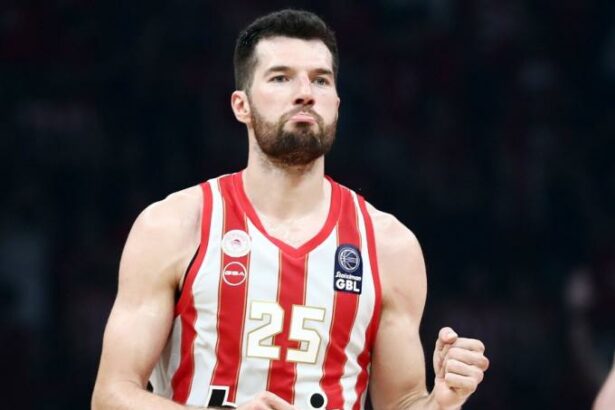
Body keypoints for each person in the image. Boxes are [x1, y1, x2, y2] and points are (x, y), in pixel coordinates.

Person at [92, 9, 489, 410]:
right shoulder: (174, 225)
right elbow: (110, 396)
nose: (305, 93)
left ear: (336, 104)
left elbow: (402, 403)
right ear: (241, 105)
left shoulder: (389, 246)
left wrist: (442, 403)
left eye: (320, 80)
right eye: (281, 77)